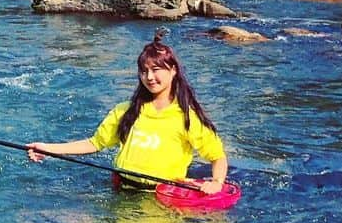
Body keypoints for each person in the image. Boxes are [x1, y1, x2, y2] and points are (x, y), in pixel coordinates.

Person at [27, 30, 228, 194]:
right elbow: (94, 143)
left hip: (161, 199)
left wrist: (217, 182)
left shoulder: (187, 117)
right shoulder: (126, 110)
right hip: (121, 191)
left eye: (156, 69)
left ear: (173, 70)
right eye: (144, 71)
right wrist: (48, 148)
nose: (149, 77)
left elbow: (217, 156)